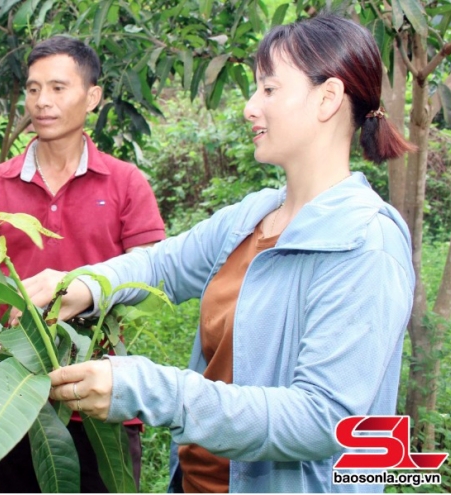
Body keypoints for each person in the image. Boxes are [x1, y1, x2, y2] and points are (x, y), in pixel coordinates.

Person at [27, 15, 416, 493]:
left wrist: (153, 390)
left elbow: (324, 418)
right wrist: (85, 284)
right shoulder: (253, 216)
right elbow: (160, 264)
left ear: (328, 98)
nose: (251, 108)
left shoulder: (366, 244)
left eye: (269, 90)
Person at [0, 36, 166, 492]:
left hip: (99, 393)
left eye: (58, 88)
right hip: (12, 395)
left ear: (92, 97)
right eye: (32, 89)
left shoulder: (125, 182)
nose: (41, 102)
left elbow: (153, 272)